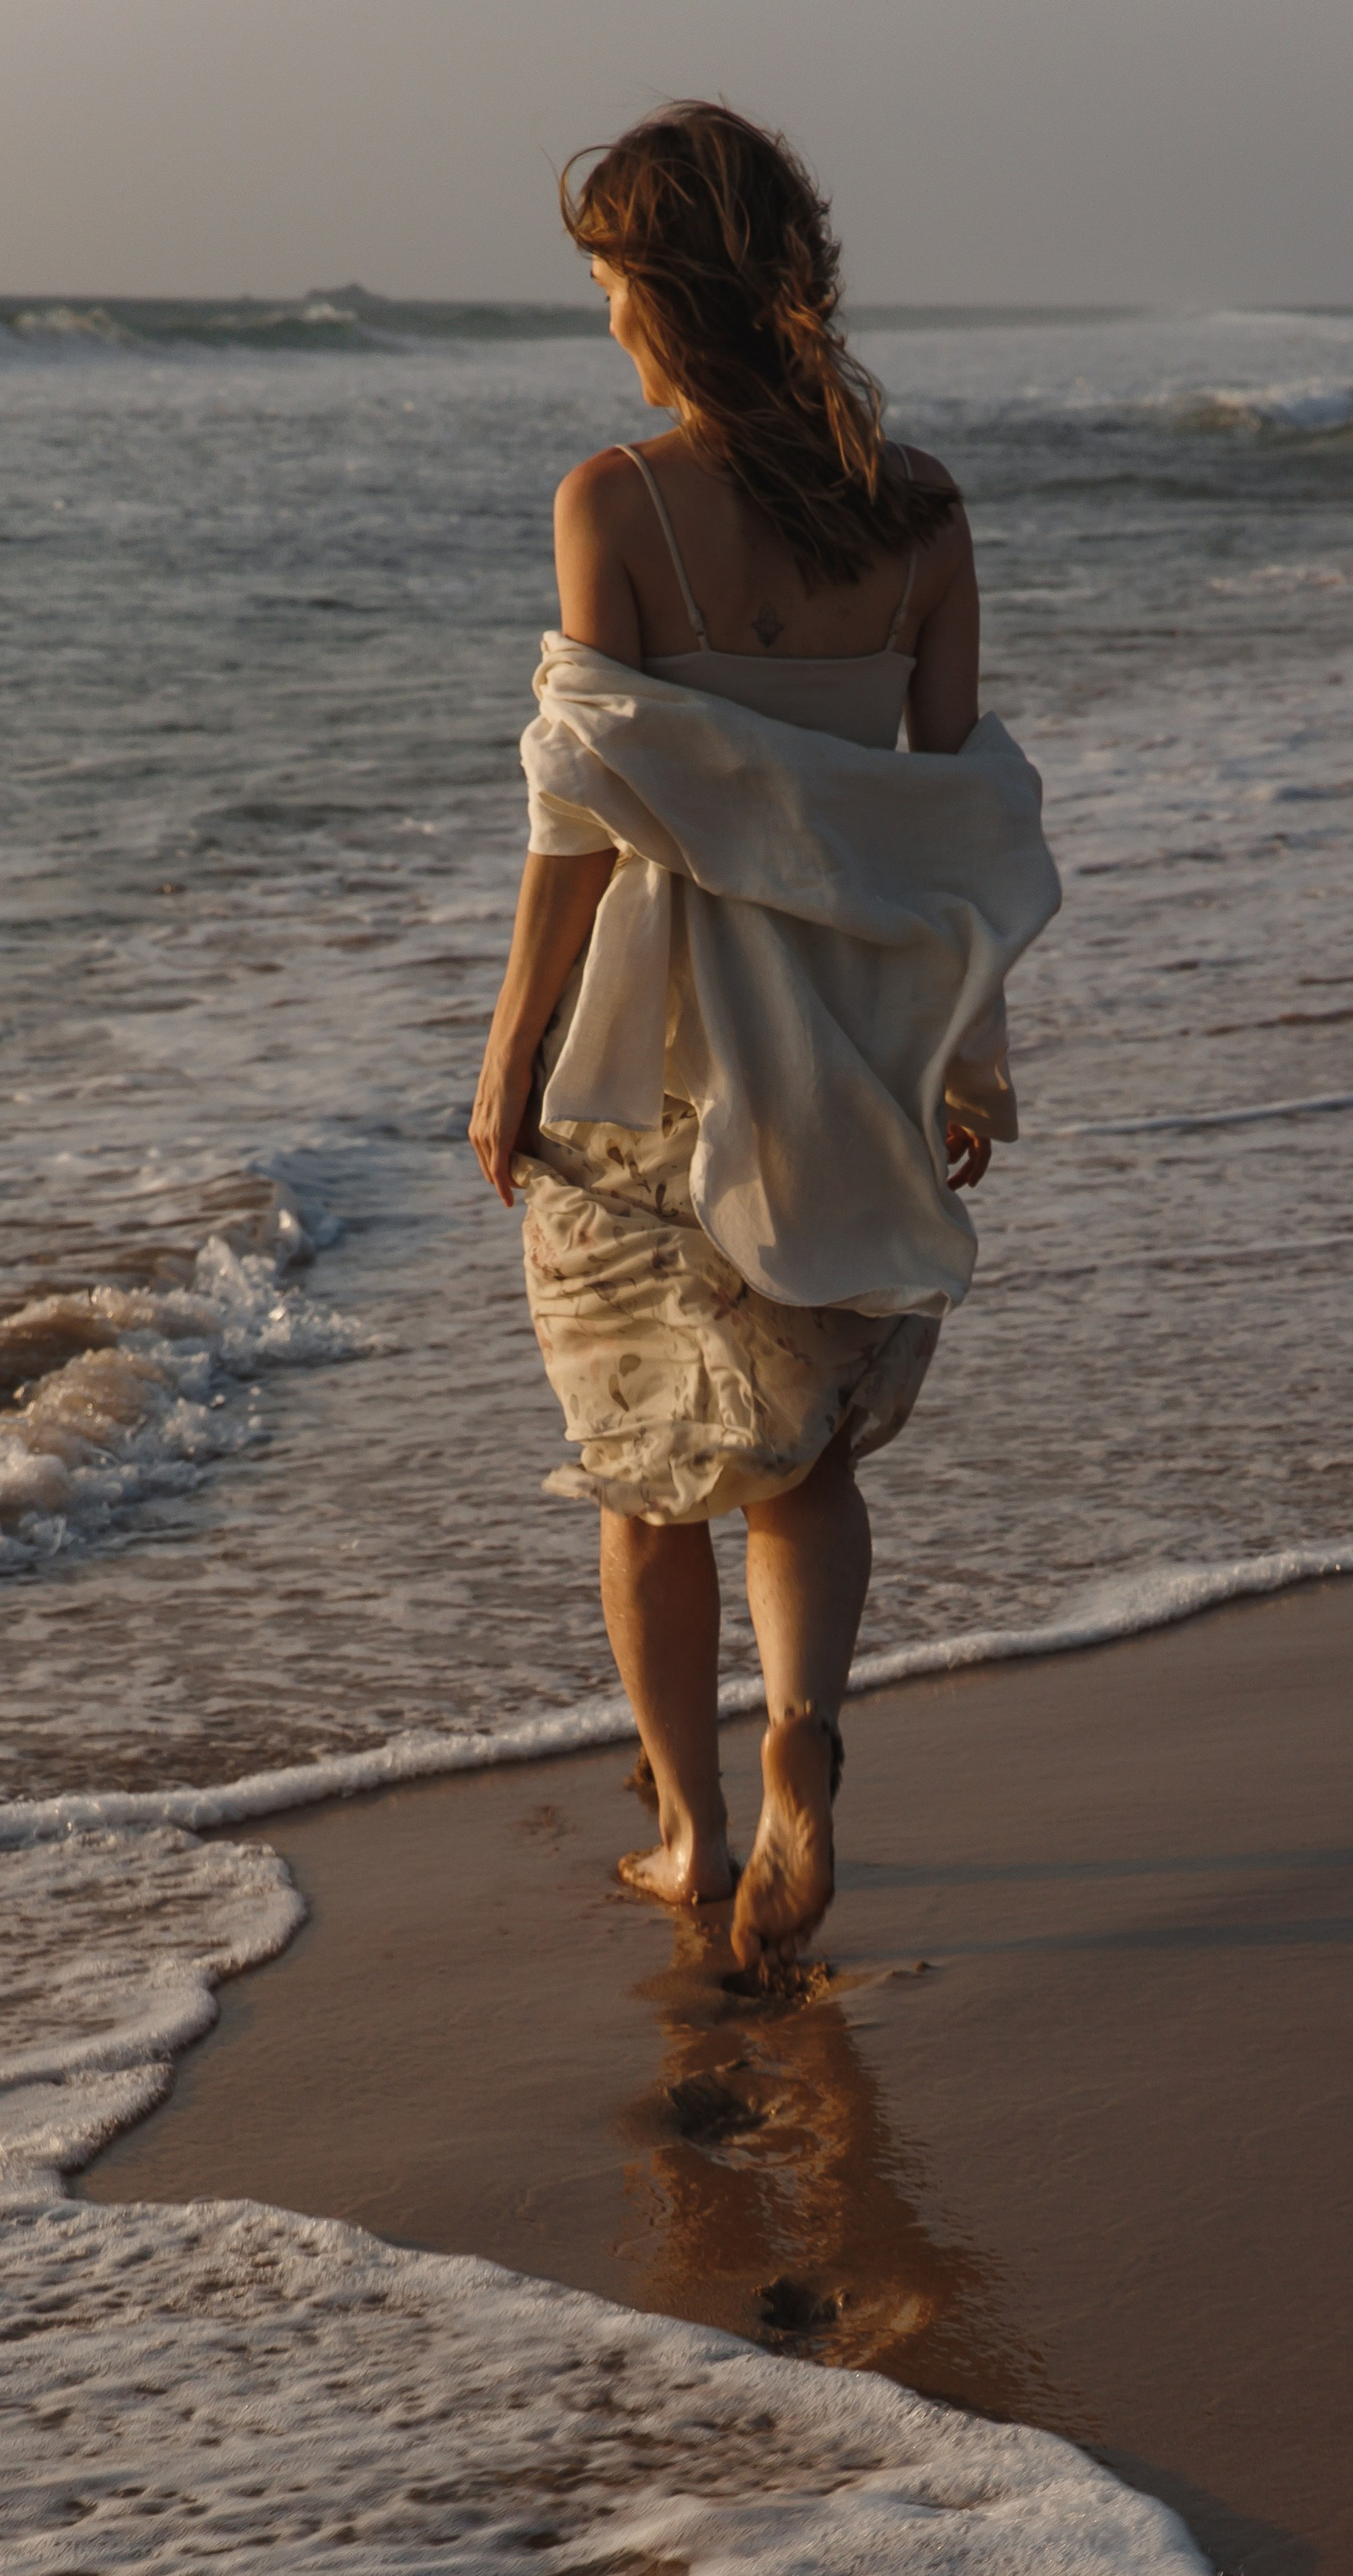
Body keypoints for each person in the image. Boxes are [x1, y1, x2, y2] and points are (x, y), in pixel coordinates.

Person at [470, 100, 1057, 1972]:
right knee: (802, 1465)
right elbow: (950, 825)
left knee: (644, 1480)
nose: (607, 323)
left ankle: (690, 1836)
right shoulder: (924, 515)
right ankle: (804, 1738)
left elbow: (580, 820)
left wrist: (506, 1054)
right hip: (849, 1050)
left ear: (662, 296)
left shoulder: (614, 504)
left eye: (609, 287)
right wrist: (967, 1051)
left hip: (645, 1050)